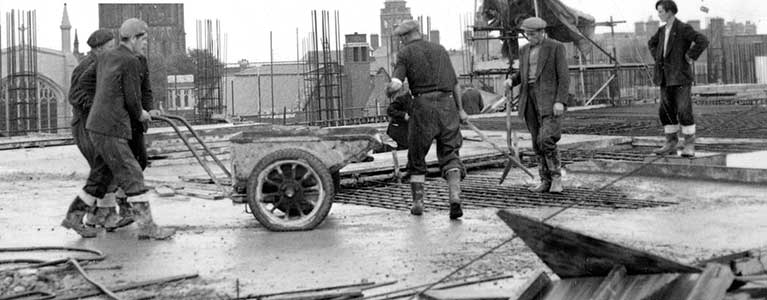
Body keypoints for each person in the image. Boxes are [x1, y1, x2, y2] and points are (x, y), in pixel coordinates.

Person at [81, 18, 174, 240]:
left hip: (99, 125)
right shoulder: (130, 60)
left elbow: (125, 91)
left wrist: (104, 103)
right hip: (112, 127)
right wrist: (140, 113)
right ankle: (147, 227)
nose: (146, 44)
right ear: (133, 38)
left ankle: (76, 219)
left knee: (100, 176)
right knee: (132, 173)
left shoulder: (107, 57)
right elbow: (133, 99)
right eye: (144, 39)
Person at [386, 19, 469, 219]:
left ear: (405, 36)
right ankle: (455, 196)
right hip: (447, 105)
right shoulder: (440, 49)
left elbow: (396, 84)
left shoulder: (405, 53)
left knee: (417, 155)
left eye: (401, 38)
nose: (401, 42)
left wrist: (389, 90)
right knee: (450, 153)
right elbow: (455, 84)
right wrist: (461, 111)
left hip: (423, 107)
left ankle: (418, 203)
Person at [504, 17, 569, 193]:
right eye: (527, 34)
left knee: (546, 139)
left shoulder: (555, 47)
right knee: (536, 142)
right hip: (529, 99)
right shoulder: (525, 50)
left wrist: (560, 101)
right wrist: (511, 80)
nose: (529, 37)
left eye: (532, 34)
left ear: (541, 32)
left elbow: (564, 76)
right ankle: (545, 180)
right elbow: (522, 73)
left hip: (549, 100)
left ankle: (556, 178)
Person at [62, 29, 117, 237]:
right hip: (85, 126)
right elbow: (74, 96)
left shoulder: (103, 64)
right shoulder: (86, 66)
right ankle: (85, 216)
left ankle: (101, 215)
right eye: (111, 47)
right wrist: (98, 106)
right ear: (100, 48)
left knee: (105, 169)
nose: (114, 50)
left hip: (97, 125)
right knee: (101, 170)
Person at [648, 0, 709, 157]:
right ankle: (671, 142)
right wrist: (658, 58)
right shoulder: (661, 30)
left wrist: (690, 56)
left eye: (660, 11)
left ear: (669, 12)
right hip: (665, 78)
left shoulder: (683, 28)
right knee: (665, 111)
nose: (658, 14)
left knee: (683, 110)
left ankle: (689, 144)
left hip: (681, 77)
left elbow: (702, 40)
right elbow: (651, 43)